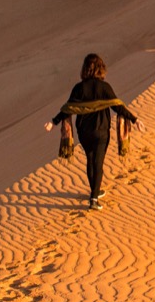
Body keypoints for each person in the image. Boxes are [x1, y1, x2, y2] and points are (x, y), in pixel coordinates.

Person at [45, 53, 142, 210]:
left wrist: (53, 122)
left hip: (84, 132)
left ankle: (95, 191)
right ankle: (94, 198)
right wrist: (134, 119)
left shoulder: (78, 88)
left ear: (85, 69)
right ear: (100, 68)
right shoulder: (105, 87)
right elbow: (118, 107)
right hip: (101, 131)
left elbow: (68, 109)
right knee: (98, 163)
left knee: (90, 160)